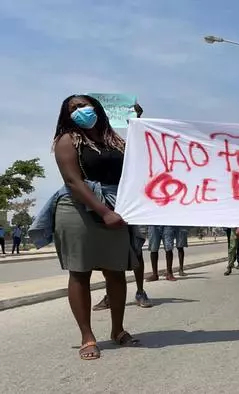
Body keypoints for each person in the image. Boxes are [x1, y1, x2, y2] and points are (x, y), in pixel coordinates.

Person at [42, 94, 141, 360]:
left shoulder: (115, 142)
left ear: (96, 108)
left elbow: (140, 161)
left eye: (84, 105)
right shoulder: (67, 140)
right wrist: (103, 212)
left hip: (115, 207)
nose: (80, 111)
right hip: (78, 209)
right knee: (80, 272)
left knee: (116, 272)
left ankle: (118, 330)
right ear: (66, 114)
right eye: (73, 108)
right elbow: (73, 181)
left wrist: (138, 123)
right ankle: (87, 336)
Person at [91, 103, 152, 311]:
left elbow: (139, 145)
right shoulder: (87, 146)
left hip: (126, 201)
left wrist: (136, 120)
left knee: (135, 248)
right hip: (100, 201)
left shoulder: (121, 146)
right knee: (108, 252)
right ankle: (110, 294)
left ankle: (140, 291)